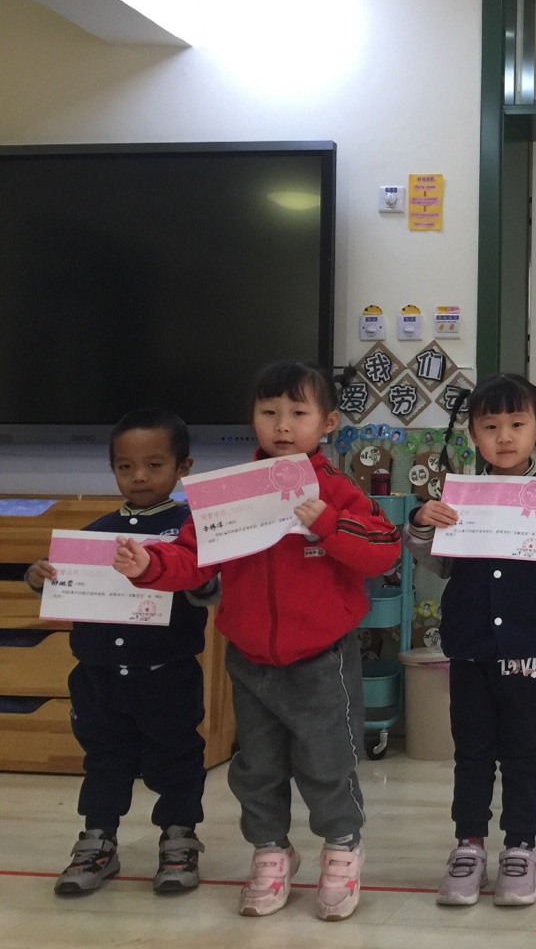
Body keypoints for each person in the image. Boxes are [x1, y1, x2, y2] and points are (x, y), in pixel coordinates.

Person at [114, 362, 401, 922]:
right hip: (249, 660)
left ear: (328, 422)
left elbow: (383, 549)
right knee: (258, 768)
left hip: (321, 660)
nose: (283, 425)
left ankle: (342, 847)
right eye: (269, 412)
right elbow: (193, 555)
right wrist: (150, 564)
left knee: (327, 763)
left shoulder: (336, 490)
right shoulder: (230, 492)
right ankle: (271, 850)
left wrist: (329, 525)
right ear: (253, 419)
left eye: (298, 413)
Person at [403, 374, 536, 908]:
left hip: (531, 650)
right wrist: (422, 523)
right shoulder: (460, 495)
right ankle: (468, 845)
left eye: (517, 424)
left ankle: (520, 847)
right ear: (473, 434)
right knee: (471, 752)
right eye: (490, 427)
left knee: (524, 751)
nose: (505, 437)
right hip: (470, 647)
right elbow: (439, 564)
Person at [25, 409, 217, 896]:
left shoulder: (191, 531)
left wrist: (199, 580)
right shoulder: (93, 532)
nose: (139, 477)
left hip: (166, 673)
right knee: (104, 759)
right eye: (125, 467)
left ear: (183, 467)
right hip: (99, 676)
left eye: (154, 465)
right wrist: (41, 577)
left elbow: (209, 588)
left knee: (177, 757)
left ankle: (179, 838)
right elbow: (63, 587)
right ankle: (98, 840)